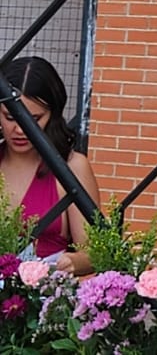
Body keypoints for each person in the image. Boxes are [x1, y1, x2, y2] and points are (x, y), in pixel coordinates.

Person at [0, 57, 101, 275]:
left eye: (33, 119)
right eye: (10, 117)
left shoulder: (72, 167)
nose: (20, 129)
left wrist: (74, 261)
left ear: (52, 115)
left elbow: (95, 251)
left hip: (44, 295)